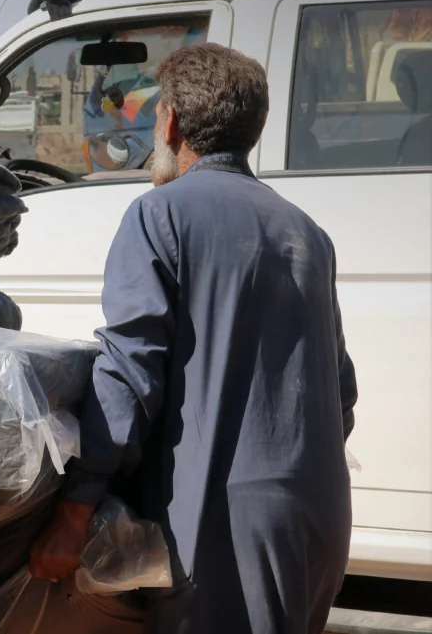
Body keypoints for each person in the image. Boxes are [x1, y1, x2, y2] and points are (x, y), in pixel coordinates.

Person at [29, 43, 357, 634]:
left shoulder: (160, 214)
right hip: (319, 519)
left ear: (171, 122)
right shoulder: (307, 231)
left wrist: (75, 511)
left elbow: (130, 369)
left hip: (223, 529)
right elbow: (342, 394)